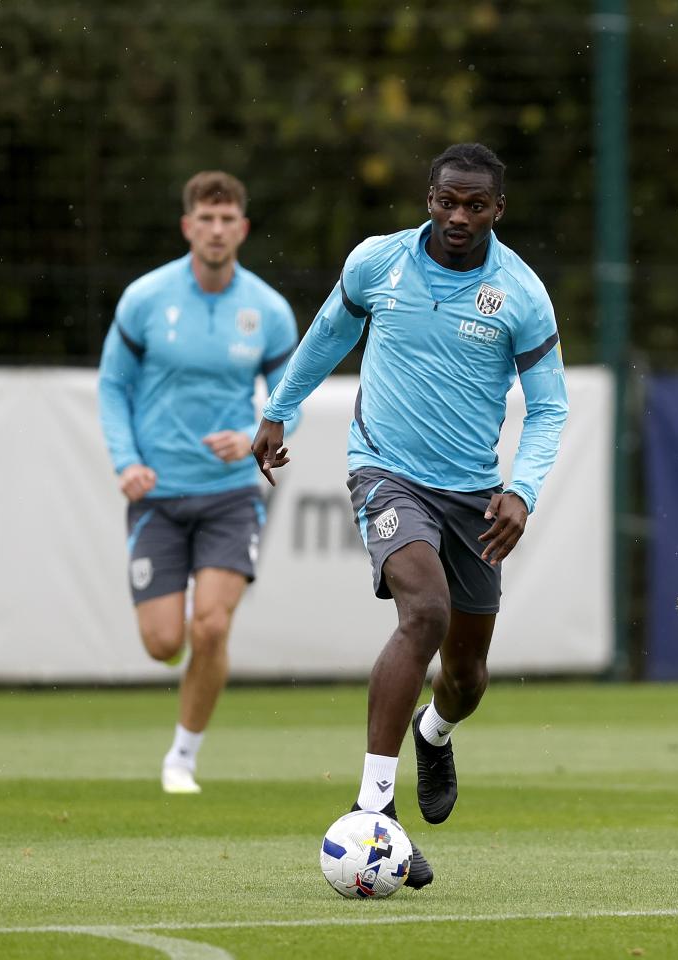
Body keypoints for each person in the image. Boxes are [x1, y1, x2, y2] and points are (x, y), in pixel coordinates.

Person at [252, 143, 568, 887]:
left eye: (475, 205)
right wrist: (277, 411)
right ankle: (374, 812)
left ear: (499, 209)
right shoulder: (377, 263)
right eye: (446, 201)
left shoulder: (520, 293)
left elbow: (550, 408)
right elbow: (330, 333)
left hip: (475, 495)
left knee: (466, 676)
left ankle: (436, 732)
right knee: (421, 611)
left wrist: (521, 490)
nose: (459, 217)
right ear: (428, 197)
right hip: (385, 473)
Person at [98, 170, 298, 795]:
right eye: (205, 220)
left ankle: (182, 756)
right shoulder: (146, 299)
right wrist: (124, 460)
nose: (216, 230)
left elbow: (289, 392)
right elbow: (112, 386)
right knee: (164, 644)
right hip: (157, 493)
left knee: (211, 626)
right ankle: (185, 690)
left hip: (232, 493)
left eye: (227, 219)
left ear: (242, 227)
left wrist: (253, 434)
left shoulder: (266, 309)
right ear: (188, 227)